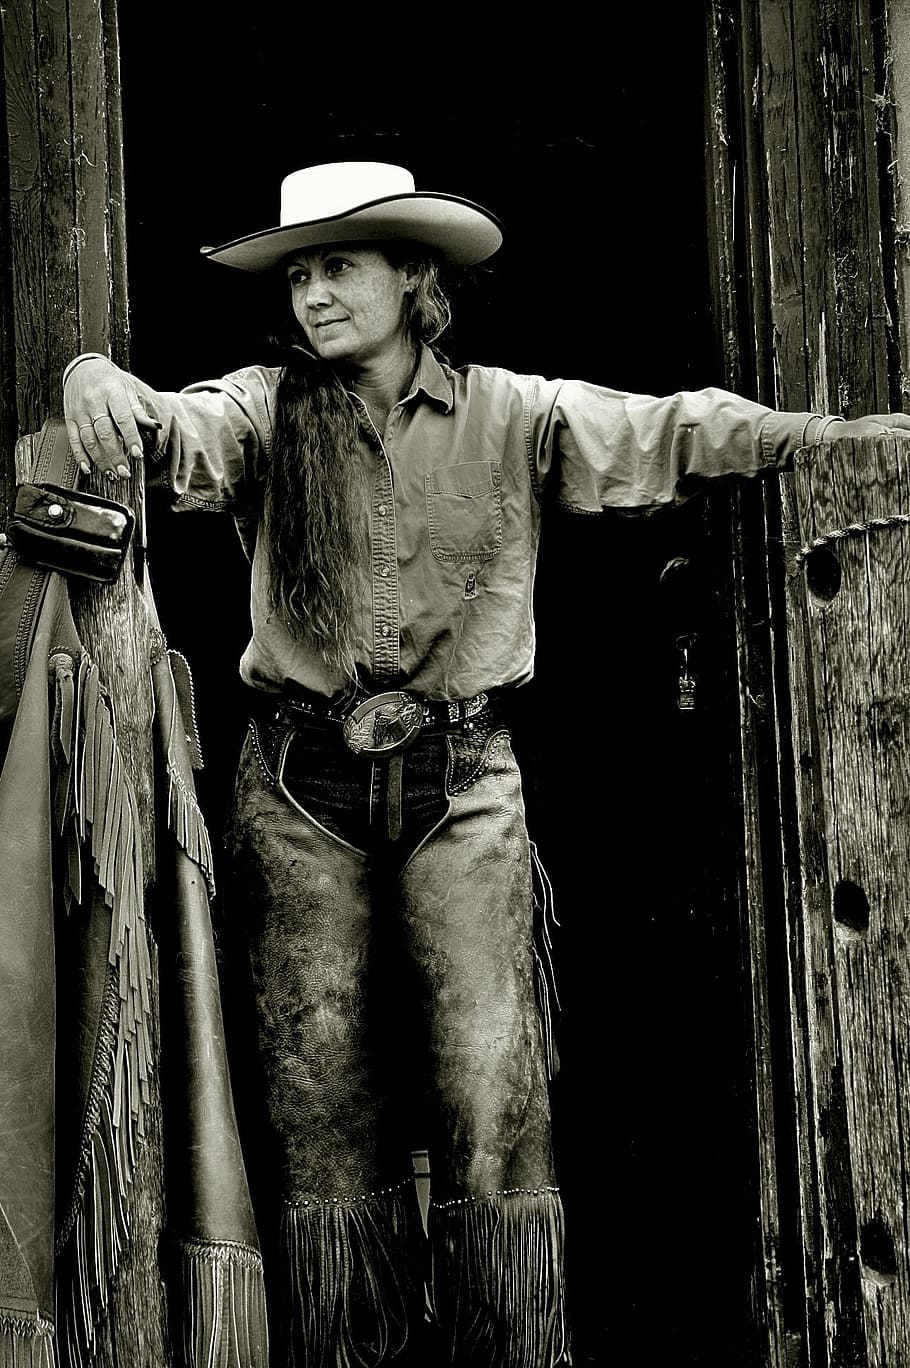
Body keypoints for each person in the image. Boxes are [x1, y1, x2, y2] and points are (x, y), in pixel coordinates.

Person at [62, 160, 910, 1368]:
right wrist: (98, 377)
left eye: (339, 266)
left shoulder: (515, 414)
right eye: (298, 273)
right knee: (319, 1095)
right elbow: (171, 430)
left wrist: (828, 439)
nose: (311, 293)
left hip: (464, 782)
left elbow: (664, 428)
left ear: (418, 281)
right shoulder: (263, 408)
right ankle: (347, 1349)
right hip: (299, 790)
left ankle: (509, 1345)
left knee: (492, 1078)